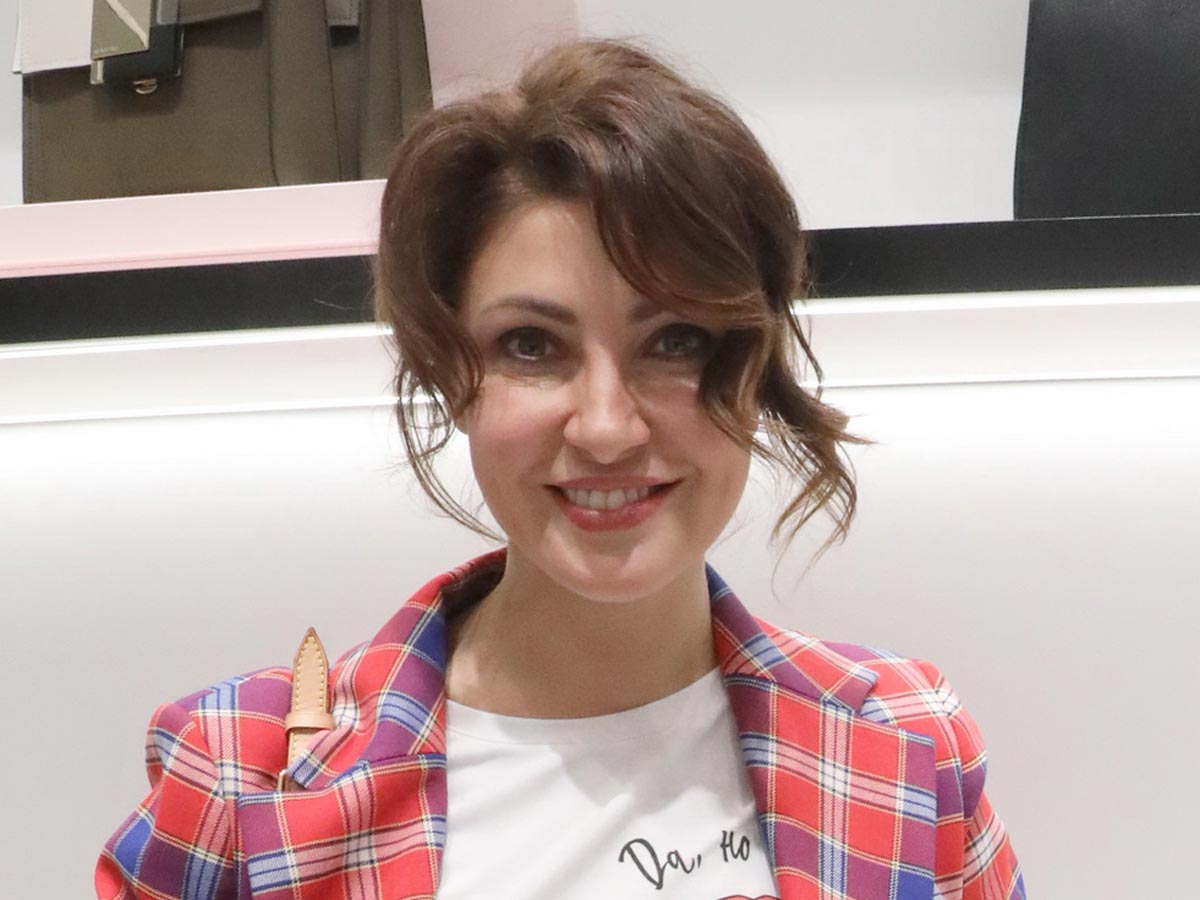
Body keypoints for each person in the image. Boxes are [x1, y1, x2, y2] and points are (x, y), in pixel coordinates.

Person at [96, 39, 1024, 900]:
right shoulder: (240, 780)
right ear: (451, 374)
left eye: (676, 339)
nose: (608, 427)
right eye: (532, 345)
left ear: (755, 368)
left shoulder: (906, 746)